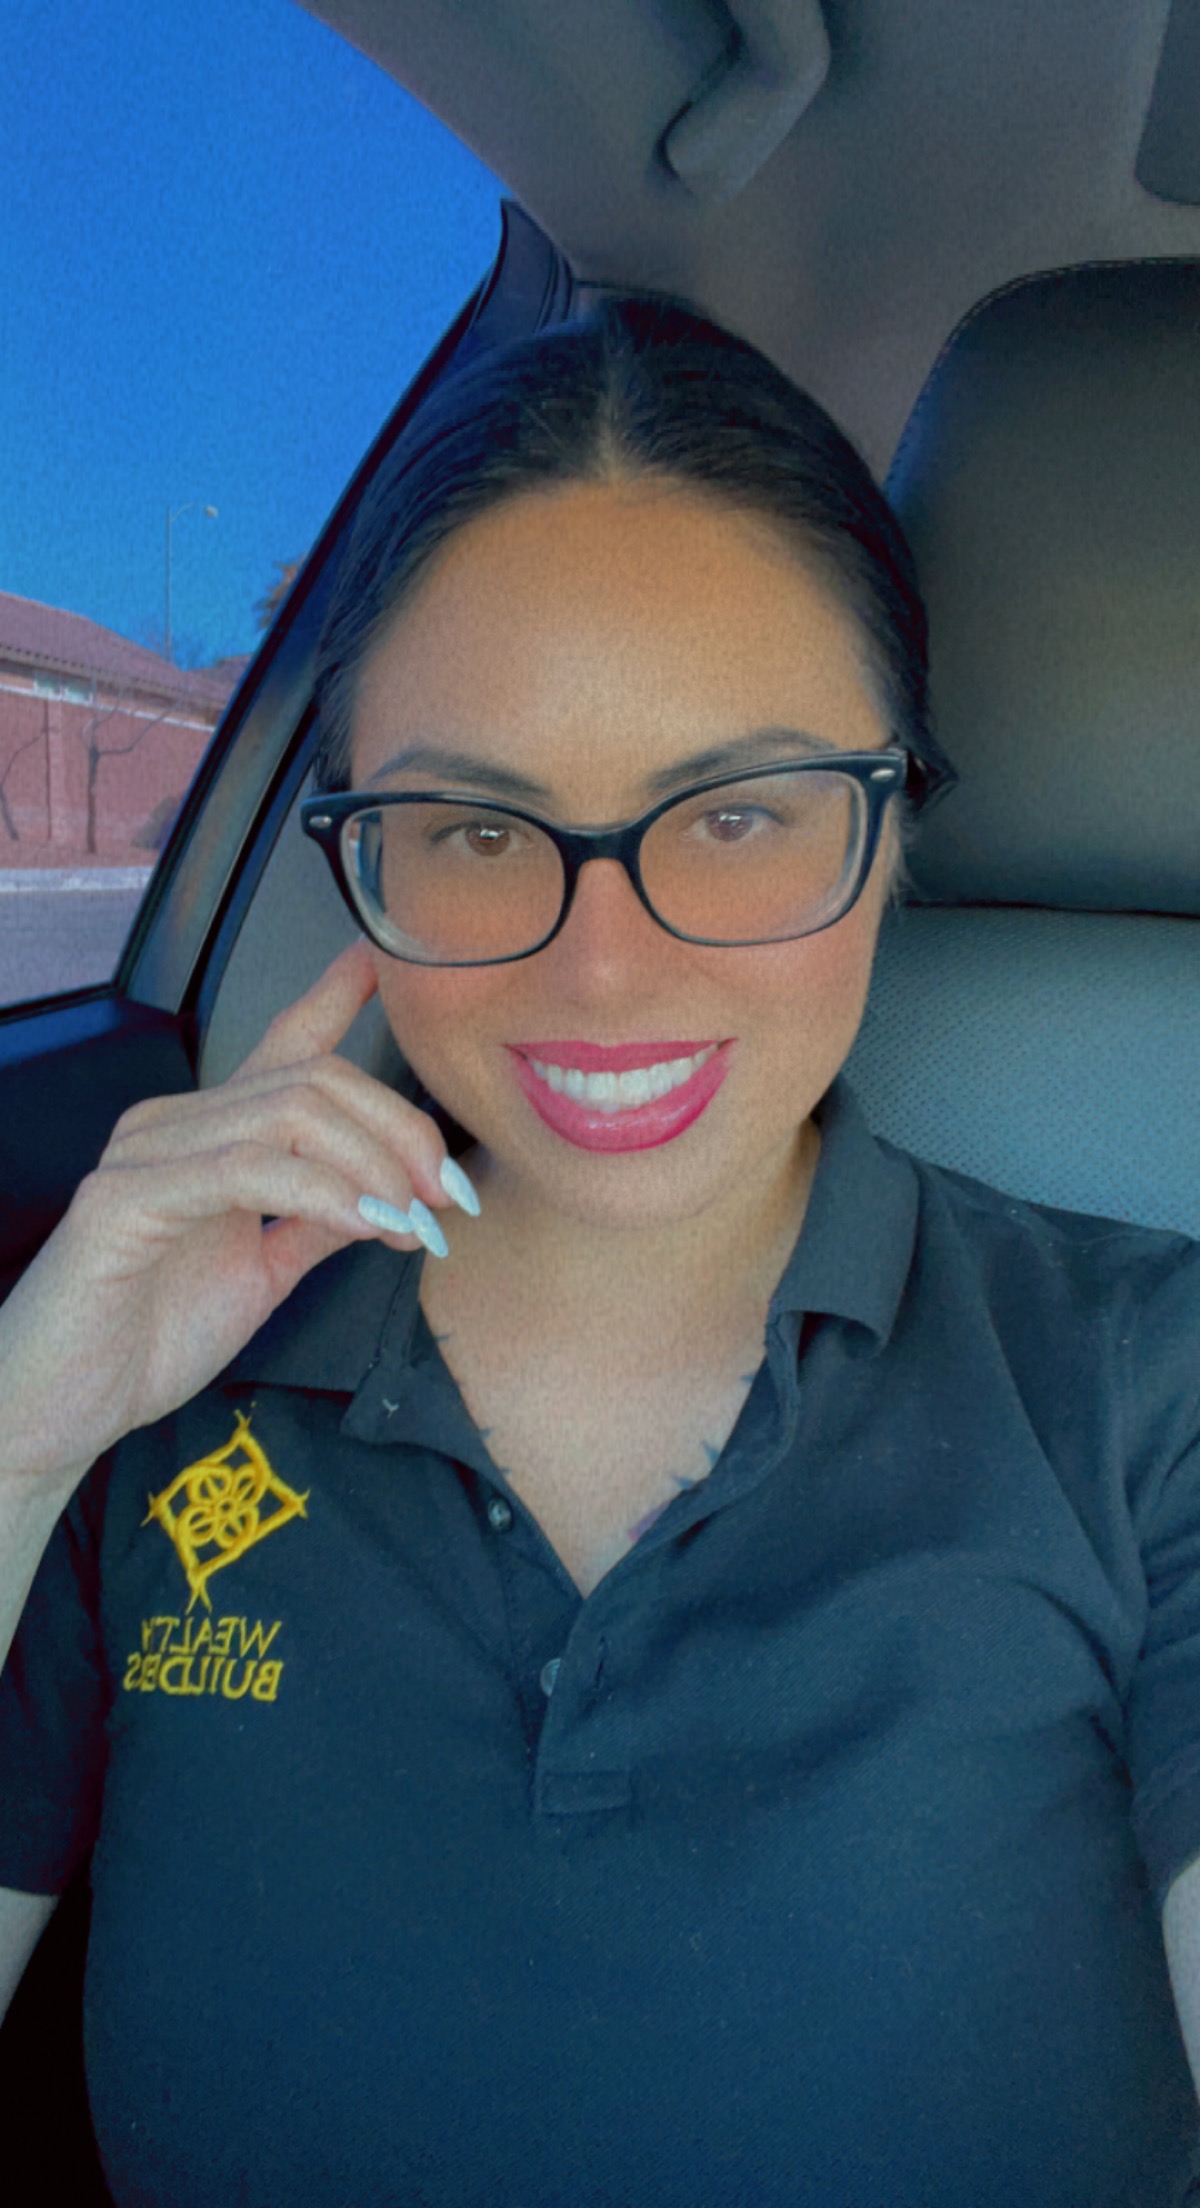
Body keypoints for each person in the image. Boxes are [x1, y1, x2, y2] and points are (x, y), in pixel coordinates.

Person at [0, 295, 1198, 2207]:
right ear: (359, 855)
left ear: (899, 823)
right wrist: (20, 1430)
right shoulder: (157, 1392)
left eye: (739, 812)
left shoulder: (1152, 1388)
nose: (605, 971)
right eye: (475, 830)